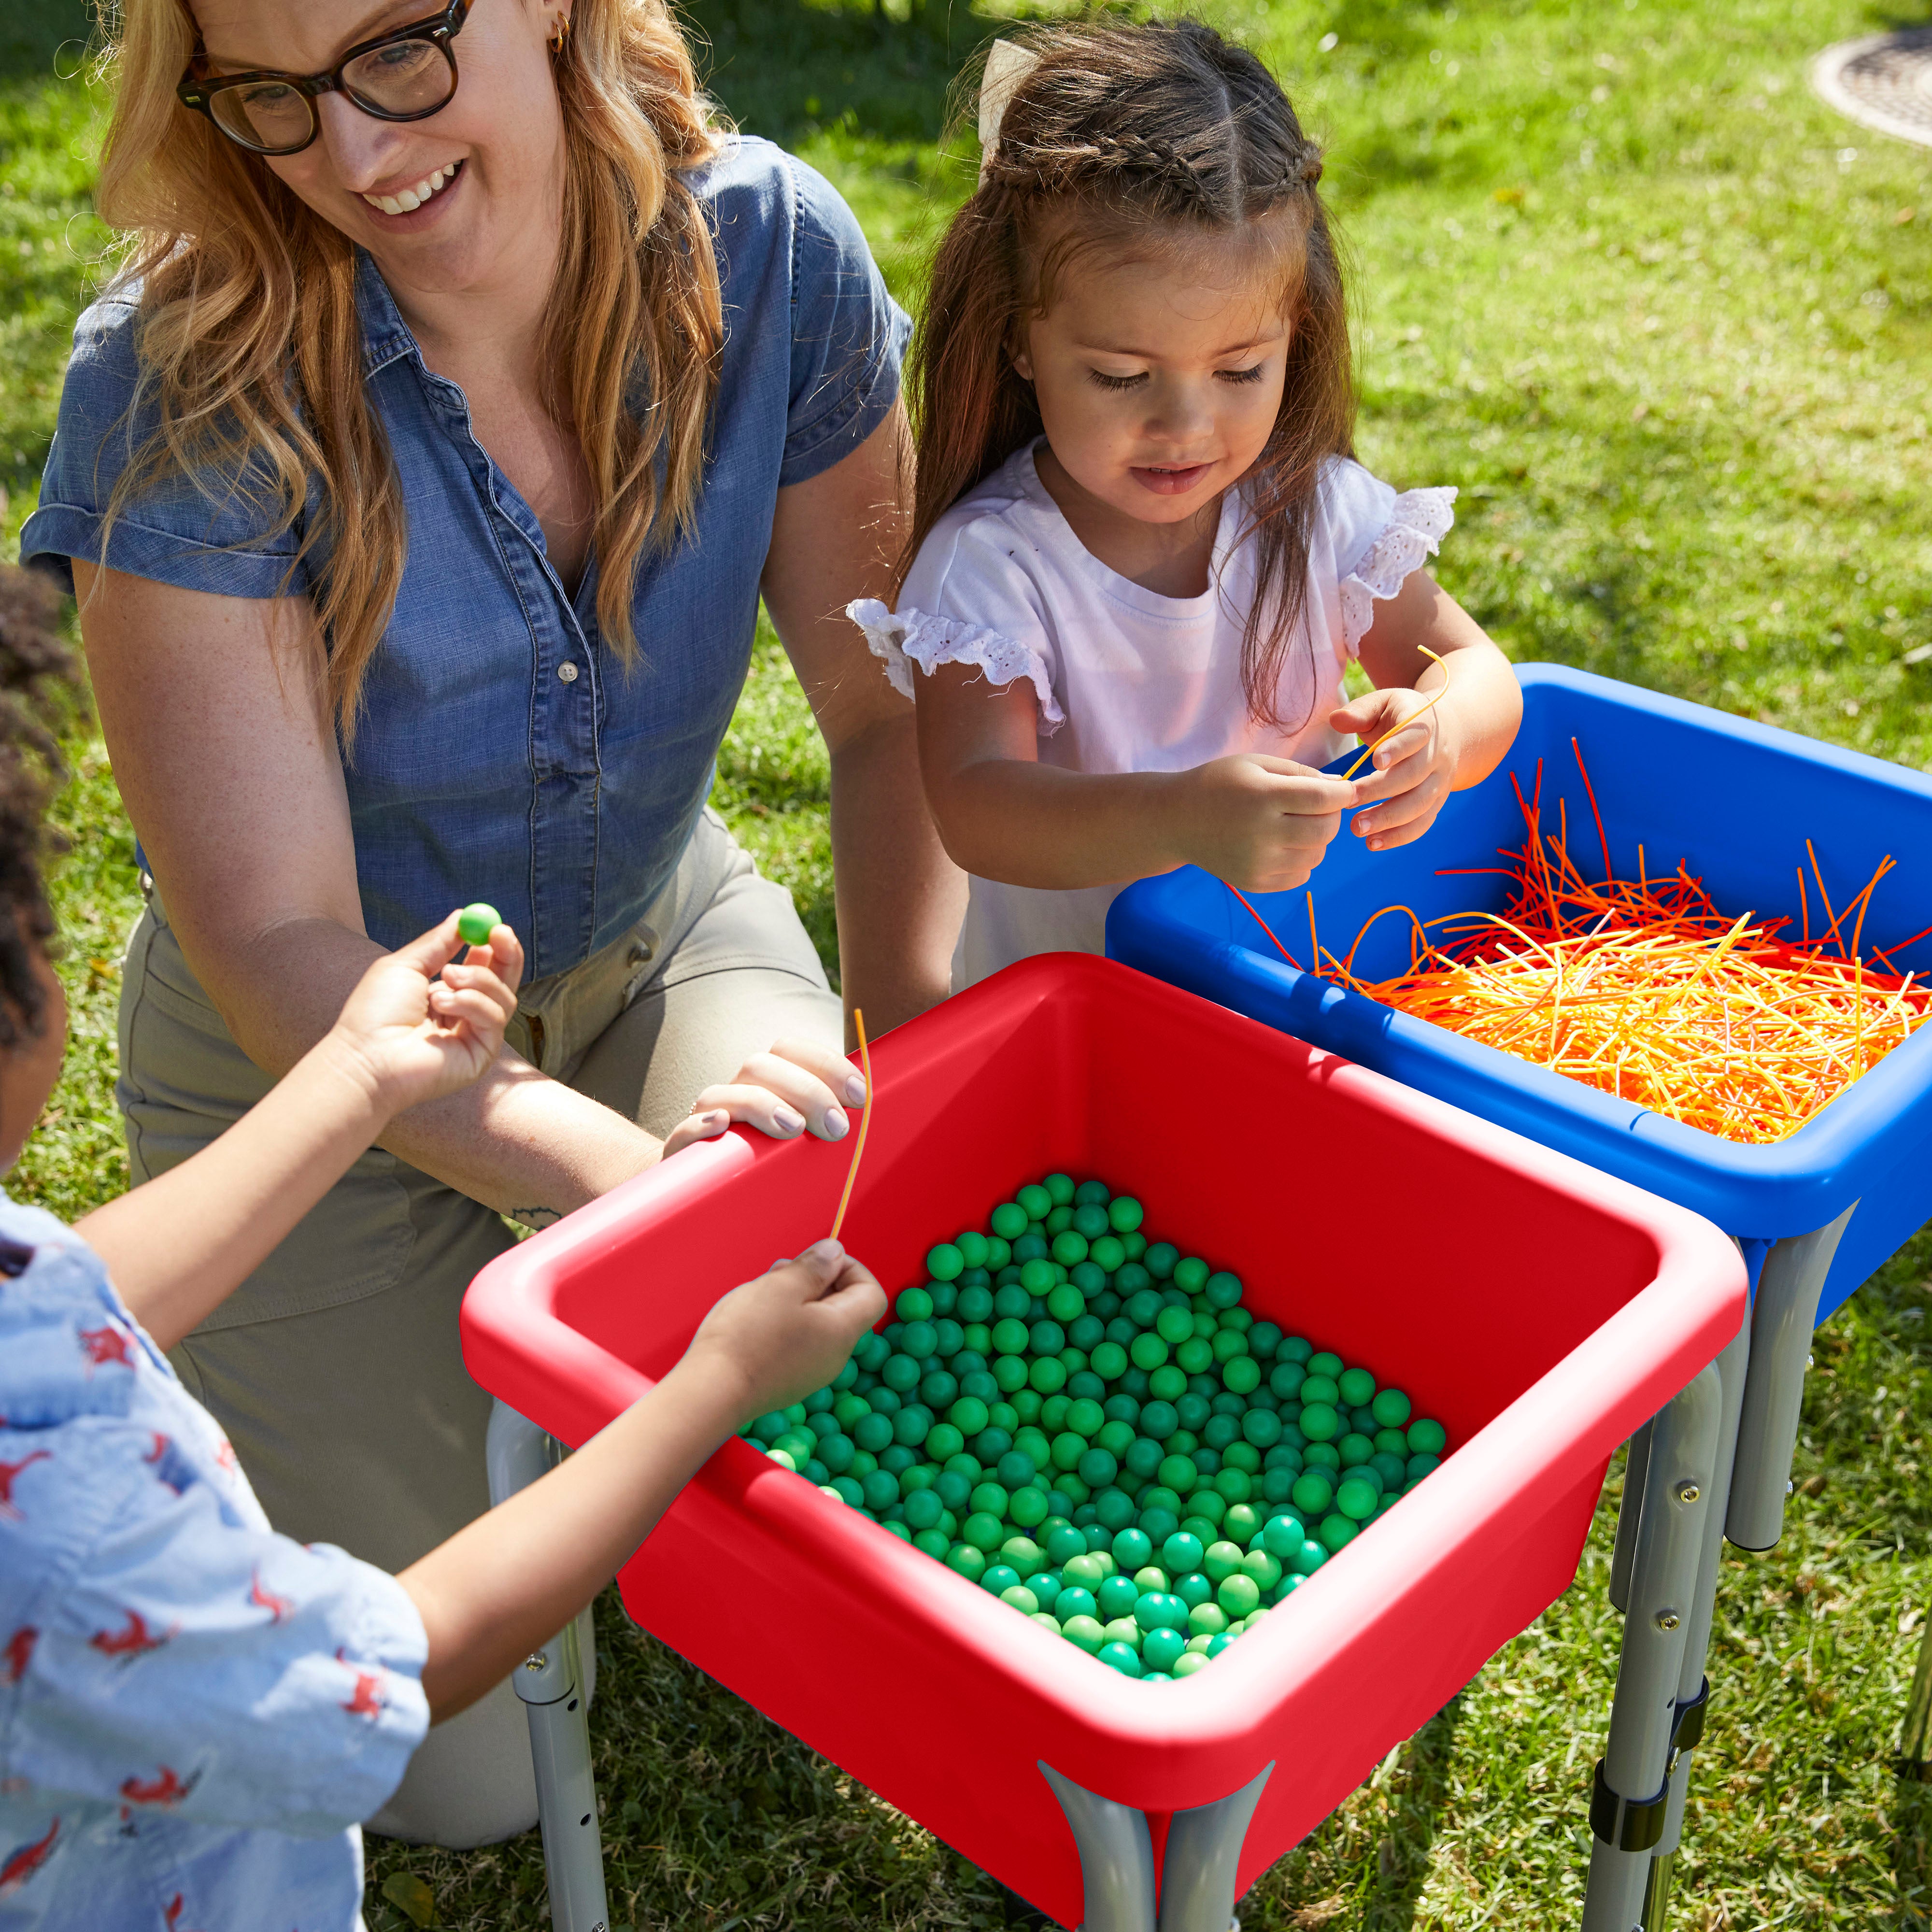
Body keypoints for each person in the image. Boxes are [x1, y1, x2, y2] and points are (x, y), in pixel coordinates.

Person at [20, 0, 960, 1842]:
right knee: (457, 1787)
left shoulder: (772, 254)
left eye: (398, 54)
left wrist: (911, 1055)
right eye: (272, 100)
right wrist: (637, 1184)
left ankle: (600, 1398)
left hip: (650, 947)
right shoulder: (178, 374)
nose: (358, 156)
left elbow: (885, 715)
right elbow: (288, 946)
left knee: (846, 1365)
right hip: (313, 1076)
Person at [0, 564, 886, 1932]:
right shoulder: (69, 1536)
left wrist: (356, 1075)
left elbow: (69, 1292)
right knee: (460, 1778)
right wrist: (707, 1386)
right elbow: (399, 1663)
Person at [848, 20, 1522, 988]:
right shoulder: (994, 565)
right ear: (1019, 341)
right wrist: (1180, 816)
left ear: (1295, 331)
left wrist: (1440, 731)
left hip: (1292, 995)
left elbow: (1473, 665)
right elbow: (975, 805)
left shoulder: (1315, 510)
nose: (1185, 424)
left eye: (1240, 368)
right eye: (1121, 376)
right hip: (1085, 1030)